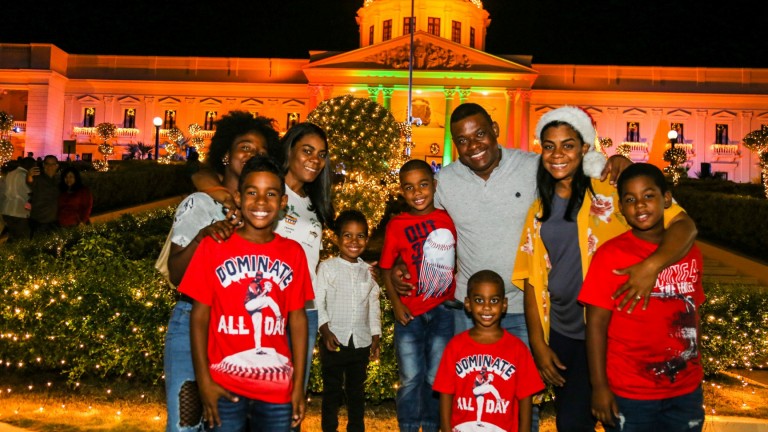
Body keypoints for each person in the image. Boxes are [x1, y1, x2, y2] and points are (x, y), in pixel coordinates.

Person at [389, 103, 633, 432]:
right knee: (471, 397)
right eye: (462, 140)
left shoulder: (533, 166)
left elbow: (578, 168)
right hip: (468, 308)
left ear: (495, 130)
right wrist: (399, 266)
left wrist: (618, 163)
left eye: (479, 134)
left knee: (524, 399)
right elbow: (422, 222)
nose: (472, 145)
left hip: (527, 307)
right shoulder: (444, 181)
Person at [512, 106, 697, 431]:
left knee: (623, 421)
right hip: (566, 333)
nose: (558, 154)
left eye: (568, 145)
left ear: (585, 147)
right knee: (572, 424)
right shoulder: (538, 208)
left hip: (619, 335)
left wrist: (650, 267)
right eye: (549, 146)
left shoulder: (614, 190)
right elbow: (530, 279)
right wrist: (539, 345)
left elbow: (684, 226)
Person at [193, 121, 335, 422]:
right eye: (307, 150)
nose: (314, 159)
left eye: (322, 154)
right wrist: (223, 201)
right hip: (252, 304)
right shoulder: (265, 182)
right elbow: (201, 174)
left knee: (284, 406)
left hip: (299, 306)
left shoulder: (313, 202)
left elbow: (308, 258)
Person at [163, 111, 280, 432]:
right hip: (192, 325)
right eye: (245, 147)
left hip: (237, 332)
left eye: (261, 152)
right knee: (186, 425)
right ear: (226, 155)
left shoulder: (260, 211)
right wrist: (203, 237)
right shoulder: (200, 204)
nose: (253, 155)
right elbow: (176, 275)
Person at [181, 156, 312, 431]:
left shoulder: (294, 253)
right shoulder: (214, 246)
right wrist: (203, 381)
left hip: (278, 389)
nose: (261, 202)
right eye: (252, 192)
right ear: (238, 198)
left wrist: (298, 385)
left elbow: (298, 321)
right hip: (223, 384)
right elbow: (199, 318)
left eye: (271, 194)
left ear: (283, 203)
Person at [578, 163, 705, 432]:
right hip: (630, 393)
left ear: (667, 199)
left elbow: (694, 313)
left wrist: (695, 365)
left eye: (649, 196)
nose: (640, 205)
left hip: (685, 391)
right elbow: (596, 325)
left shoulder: (688, 252)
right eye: (630, 199)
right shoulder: (610, 256)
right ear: (621, 208)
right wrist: (599, 386)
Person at [380, 158, 457, 432]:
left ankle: (433, 424)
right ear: (402, 191)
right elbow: (386, 268)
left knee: (437, 376)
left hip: (443, 311)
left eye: (423, 185)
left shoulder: (448, 219)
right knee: (411, 376)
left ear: (434, 186)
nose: (418, 193)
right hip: (410, 313)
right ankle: (410, 425)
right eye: (410, 188)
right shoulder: (397, 225)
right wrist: (396, 303)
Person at [434, 270, 544, 432]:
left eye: (494, 300)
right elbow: (445, 393)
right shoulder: (455, 346)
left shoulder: (517, 348)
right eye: (479, 300)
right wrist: (445, 428)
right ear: (468, 304)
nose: (486, 307)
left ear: (504, 304)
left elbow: (525, 396)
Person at [315, 209, 381, 432]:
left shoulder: (369, 271)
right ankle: (329, 428)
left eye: (360, 235)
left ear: (367, 238)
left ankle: (356, 428)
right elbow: (318, 302)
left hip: (360, 342)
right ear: (337, 238)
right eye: (348, 235)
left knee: (356, 392)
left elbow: (374, 305)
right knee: (332, 391)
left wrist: (376, 336)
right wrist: (324, 331)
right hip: (334, 340)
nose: (354, 241)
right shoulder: (327, 268)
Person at [1, 157, 35, 242]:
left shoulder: (10, 173)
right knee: (22, 239)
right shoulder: (24, 175)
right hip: (19, 211)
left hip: (7, 209)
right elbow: (29, 191)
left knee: (12, 236)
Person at [26, 155, 60, 237]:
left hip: (54, 221)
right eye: (47, 164)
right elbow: (30, 181)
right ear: (44, 165)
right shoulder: (38, 178)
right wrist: (29, 175)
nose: (50, 167)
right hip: (39, 222)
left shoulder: (59, 180)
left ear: (57, 166)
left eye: (52, 164)